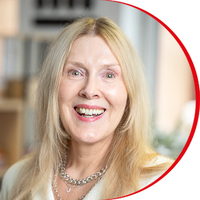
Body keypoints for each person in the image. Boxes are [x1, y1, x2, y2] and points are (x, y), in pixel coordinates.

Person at [0, 17, 173, 200]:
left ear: (129, 92)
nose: (90, 91)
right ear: (53, 87)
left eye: (109, 74)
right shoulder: (16, 179)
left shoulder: (165, 183)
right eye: (75, 72)